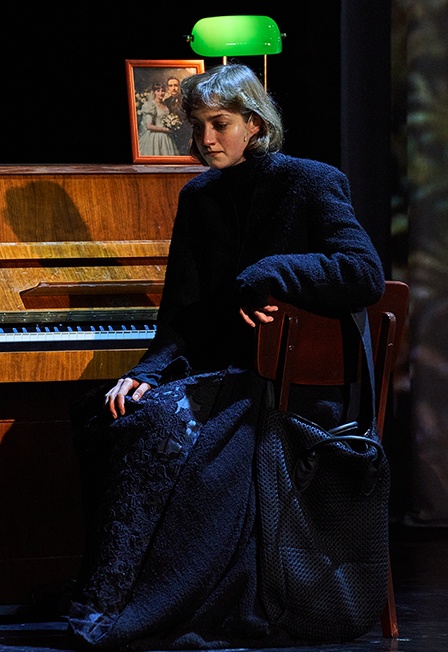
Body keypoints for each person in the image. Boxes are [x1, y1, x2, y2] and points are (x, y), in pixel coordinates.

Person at [67, 63, 385, 650]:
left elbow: (364, 272)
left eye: (220, 124)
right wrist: (146, 372)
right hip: (219, 372)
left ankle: (177, 604)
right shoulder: (199, 196)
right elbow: (180, 313)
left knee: (167, 431)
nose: (206, 138)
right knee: (110, 414)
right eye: (198, 126)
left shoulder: (311, 181)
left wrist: (272, 271)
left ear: (255, 125)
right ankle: (115, 595)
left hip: (289, 382)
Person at [138, 81, 180, 156]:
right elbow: (149, 126)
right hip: (155, 137)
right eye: (158, 91)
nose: (161, 93)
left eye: (163, 91)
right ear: (154, 92)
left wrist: (171, 125)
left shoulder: (165, 104)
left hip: (166, 137)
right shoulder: (151, 105)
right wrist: (164, 129)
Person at [165, 75, 192, 155]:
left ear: (179, 86)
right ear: (168, 88)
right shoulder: (166, 101)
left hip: (185, 134)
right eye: (170, 86)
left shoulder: (185, 100)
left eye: (175, 85)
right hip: (171, 135)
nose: (173, 88)